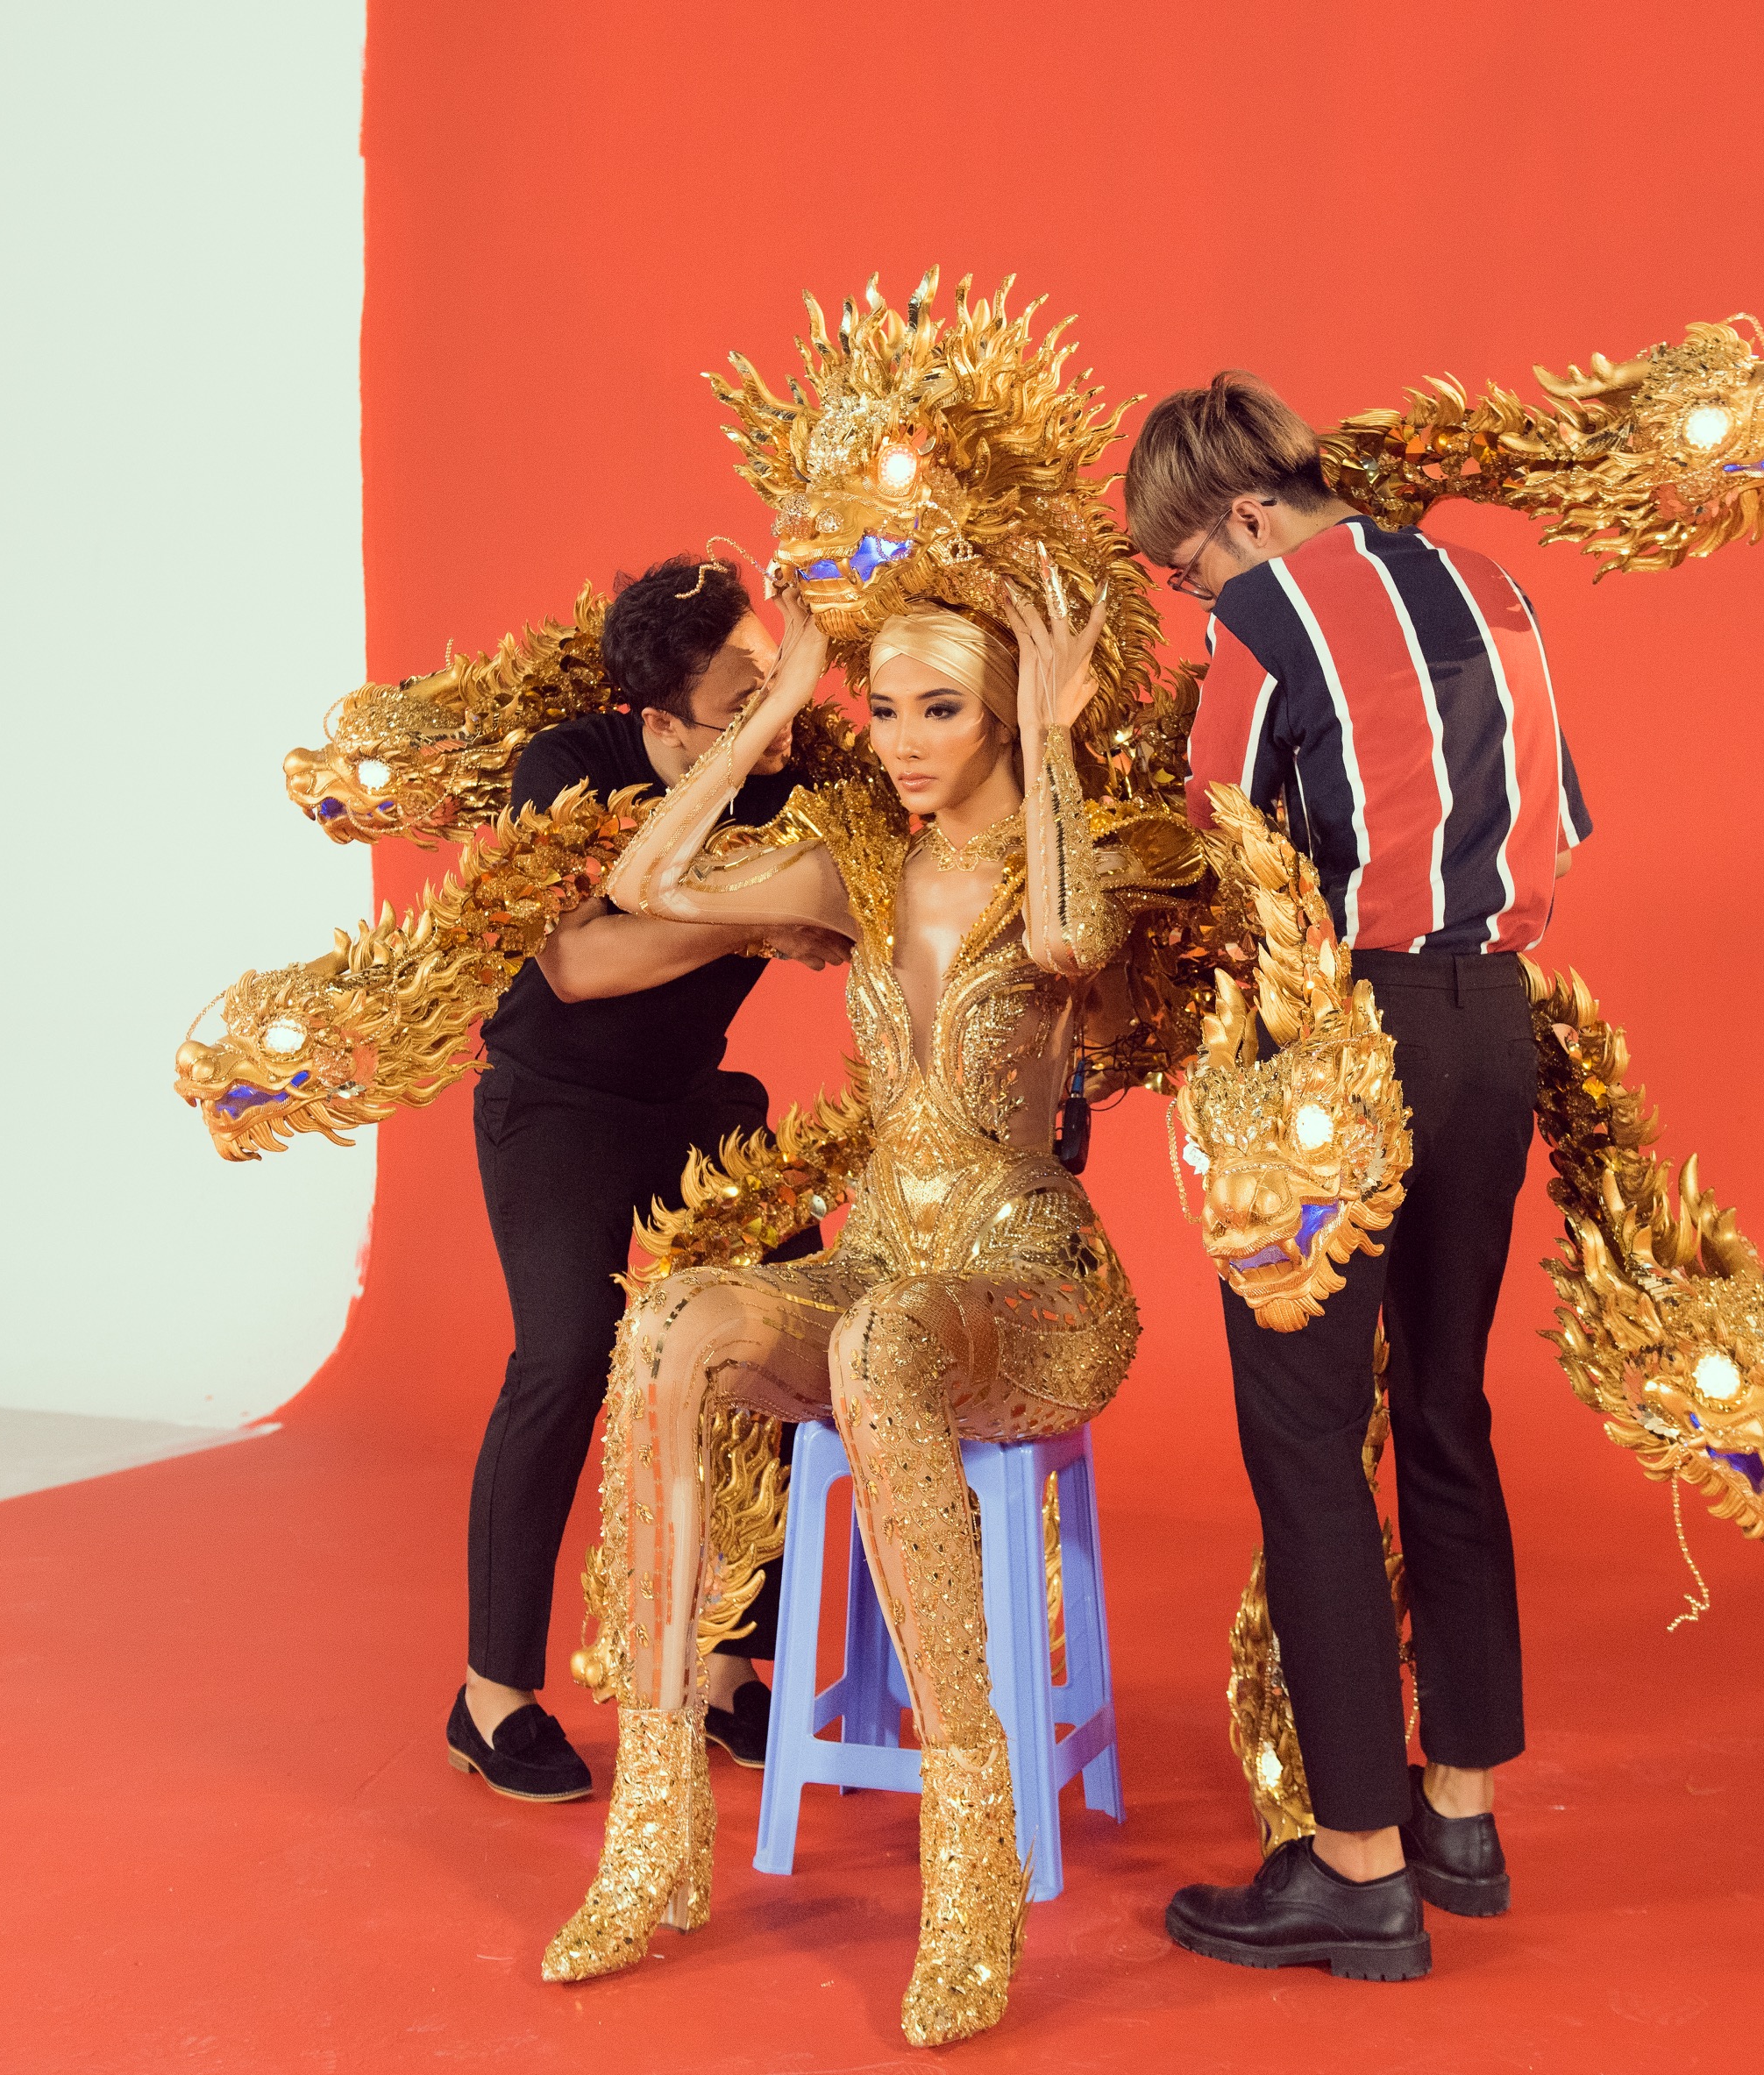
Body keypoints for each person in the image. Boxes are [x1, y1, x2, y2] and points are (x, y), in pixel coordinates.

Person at [541, 579, 1192, 2047]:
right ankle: (652, 1834)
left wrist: (1056, 741)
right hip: (884, 1257)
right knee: (671, 1324)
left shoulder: (1088, 851)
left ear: (1006, 711)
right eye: (882, 709)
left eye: (938, 710)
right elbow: (646, 882)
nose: (899, 742)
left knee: (880, 1343)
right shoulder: (859, 862)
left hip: (1032, 1285)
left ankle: (971, 1868)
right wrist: (777, 703)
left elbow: (1073, 950)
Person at [1126, 373, 1591, 1981]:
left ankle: (1356, 1869)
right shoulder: (1494, 585)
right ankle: (1460, 1817)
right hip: (1495, 1021)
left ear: (1246, 516)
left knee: (1309, 1436)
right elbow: (1561, 818)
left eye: (1189, 567)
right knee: (1444, 1408)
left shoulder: (1268, 617)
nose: (1198, 601)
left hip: (1347, 1035)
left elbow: (1210, 848)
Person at [445, 553, 842, 1803]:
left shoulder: (798, 775)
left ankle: (728, 1669)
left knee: (797, 1329)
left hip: (690, 1104)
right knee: (566, 1353)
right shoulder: (569, 768)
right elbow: (579, 967)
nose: (774, 716)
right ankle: (492, 1696)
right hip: (553, 1102)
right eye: (742, 704)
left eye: (778, 680)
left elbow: (844, 912)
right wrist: (753, 917)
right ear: (663, 727)